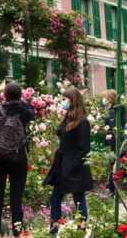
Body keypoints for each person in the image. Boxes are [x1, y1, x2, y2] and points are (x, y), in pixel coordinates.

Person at [0, 82, 36, 238]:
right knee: (16, 199)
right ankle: (17, 234)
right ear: (20, 96)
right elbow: (32, 110)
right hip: (18, 158)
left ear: (4, 95)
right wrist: (21, 100)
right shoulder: (24, 113)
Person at [43, 87, 93, 235]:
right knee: (55, 198)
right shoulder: (68, 118)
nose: (62, 101)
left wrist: (73, 164)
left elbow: (84, 148)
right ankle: (54, 231)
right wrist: (62, 116)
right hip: (62, 164)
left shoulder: (82, 121)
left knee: (78, 198)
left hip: (73, 166)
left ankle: (81, 230)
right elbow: (61, 134)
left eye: (65, 99)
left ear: (73, 100)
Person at [102, 89, 119, 195]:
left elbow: (113, 131)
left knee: (113, 166)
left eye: (105, 97)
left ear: (109, 99)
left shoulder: (112, 112)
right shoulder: (113, 111)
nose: (103, 100)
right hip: (112, 143)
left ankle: (112, 191)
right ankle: (112, 189)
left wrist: (112, 148)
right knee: (113, 166)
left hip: (113, 144)